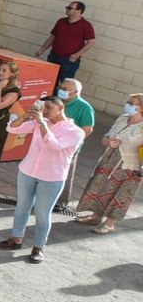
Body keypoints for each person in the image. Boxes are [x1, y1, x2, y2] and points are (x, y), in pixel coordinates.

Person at [0, 96, 83, 263]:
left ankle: (38, 247)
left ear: (61, 108)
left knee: (42, 213)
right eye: (43, 107)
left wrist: (41, 123)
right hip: (27, 171)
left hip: (51, 178)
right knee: (22, 206)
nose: (45, 110)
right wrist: (25, 116)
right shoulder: (39, 122)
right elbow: (12, 129)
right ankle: (16, 238)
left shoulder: (75, 132)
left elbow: (55, 145)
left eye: (49, 107)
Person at [74, 91, 143, 233]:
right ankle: (96, 216)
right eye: (128, 102)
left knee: (121, 195)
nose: (128, 105)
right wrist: (108, 142)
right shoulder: (123, 118)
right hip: (109, 159)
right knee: (100, 187)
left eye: (132, 103)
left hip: (130, 166)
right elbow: (105, 137)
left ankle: (110, 223)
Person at [51, 77, 95, 212]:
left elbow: (87, 129)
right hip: (51, 142)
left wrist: (73, 141)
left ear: (75, 91)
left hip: (68, 146)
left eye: (65, 89)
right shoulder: (57, 102)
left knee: (64, 173)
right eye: (60, 88)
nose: (61, 91)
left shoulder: (84, 107)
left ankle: (60, 201)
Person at [36, 0, 97, 81]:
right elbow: (52, 37)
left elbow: (91, 42)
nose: (67, 9)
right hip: (54, 56)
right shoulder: (61, 21)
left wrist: (76, 55)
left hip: (69, 61)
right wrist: (42, 49)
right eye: (67, 7)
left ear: (79, 11)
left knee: (65, 85)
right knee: (49, 82)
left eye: (70, 8)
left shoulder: (86, 25)